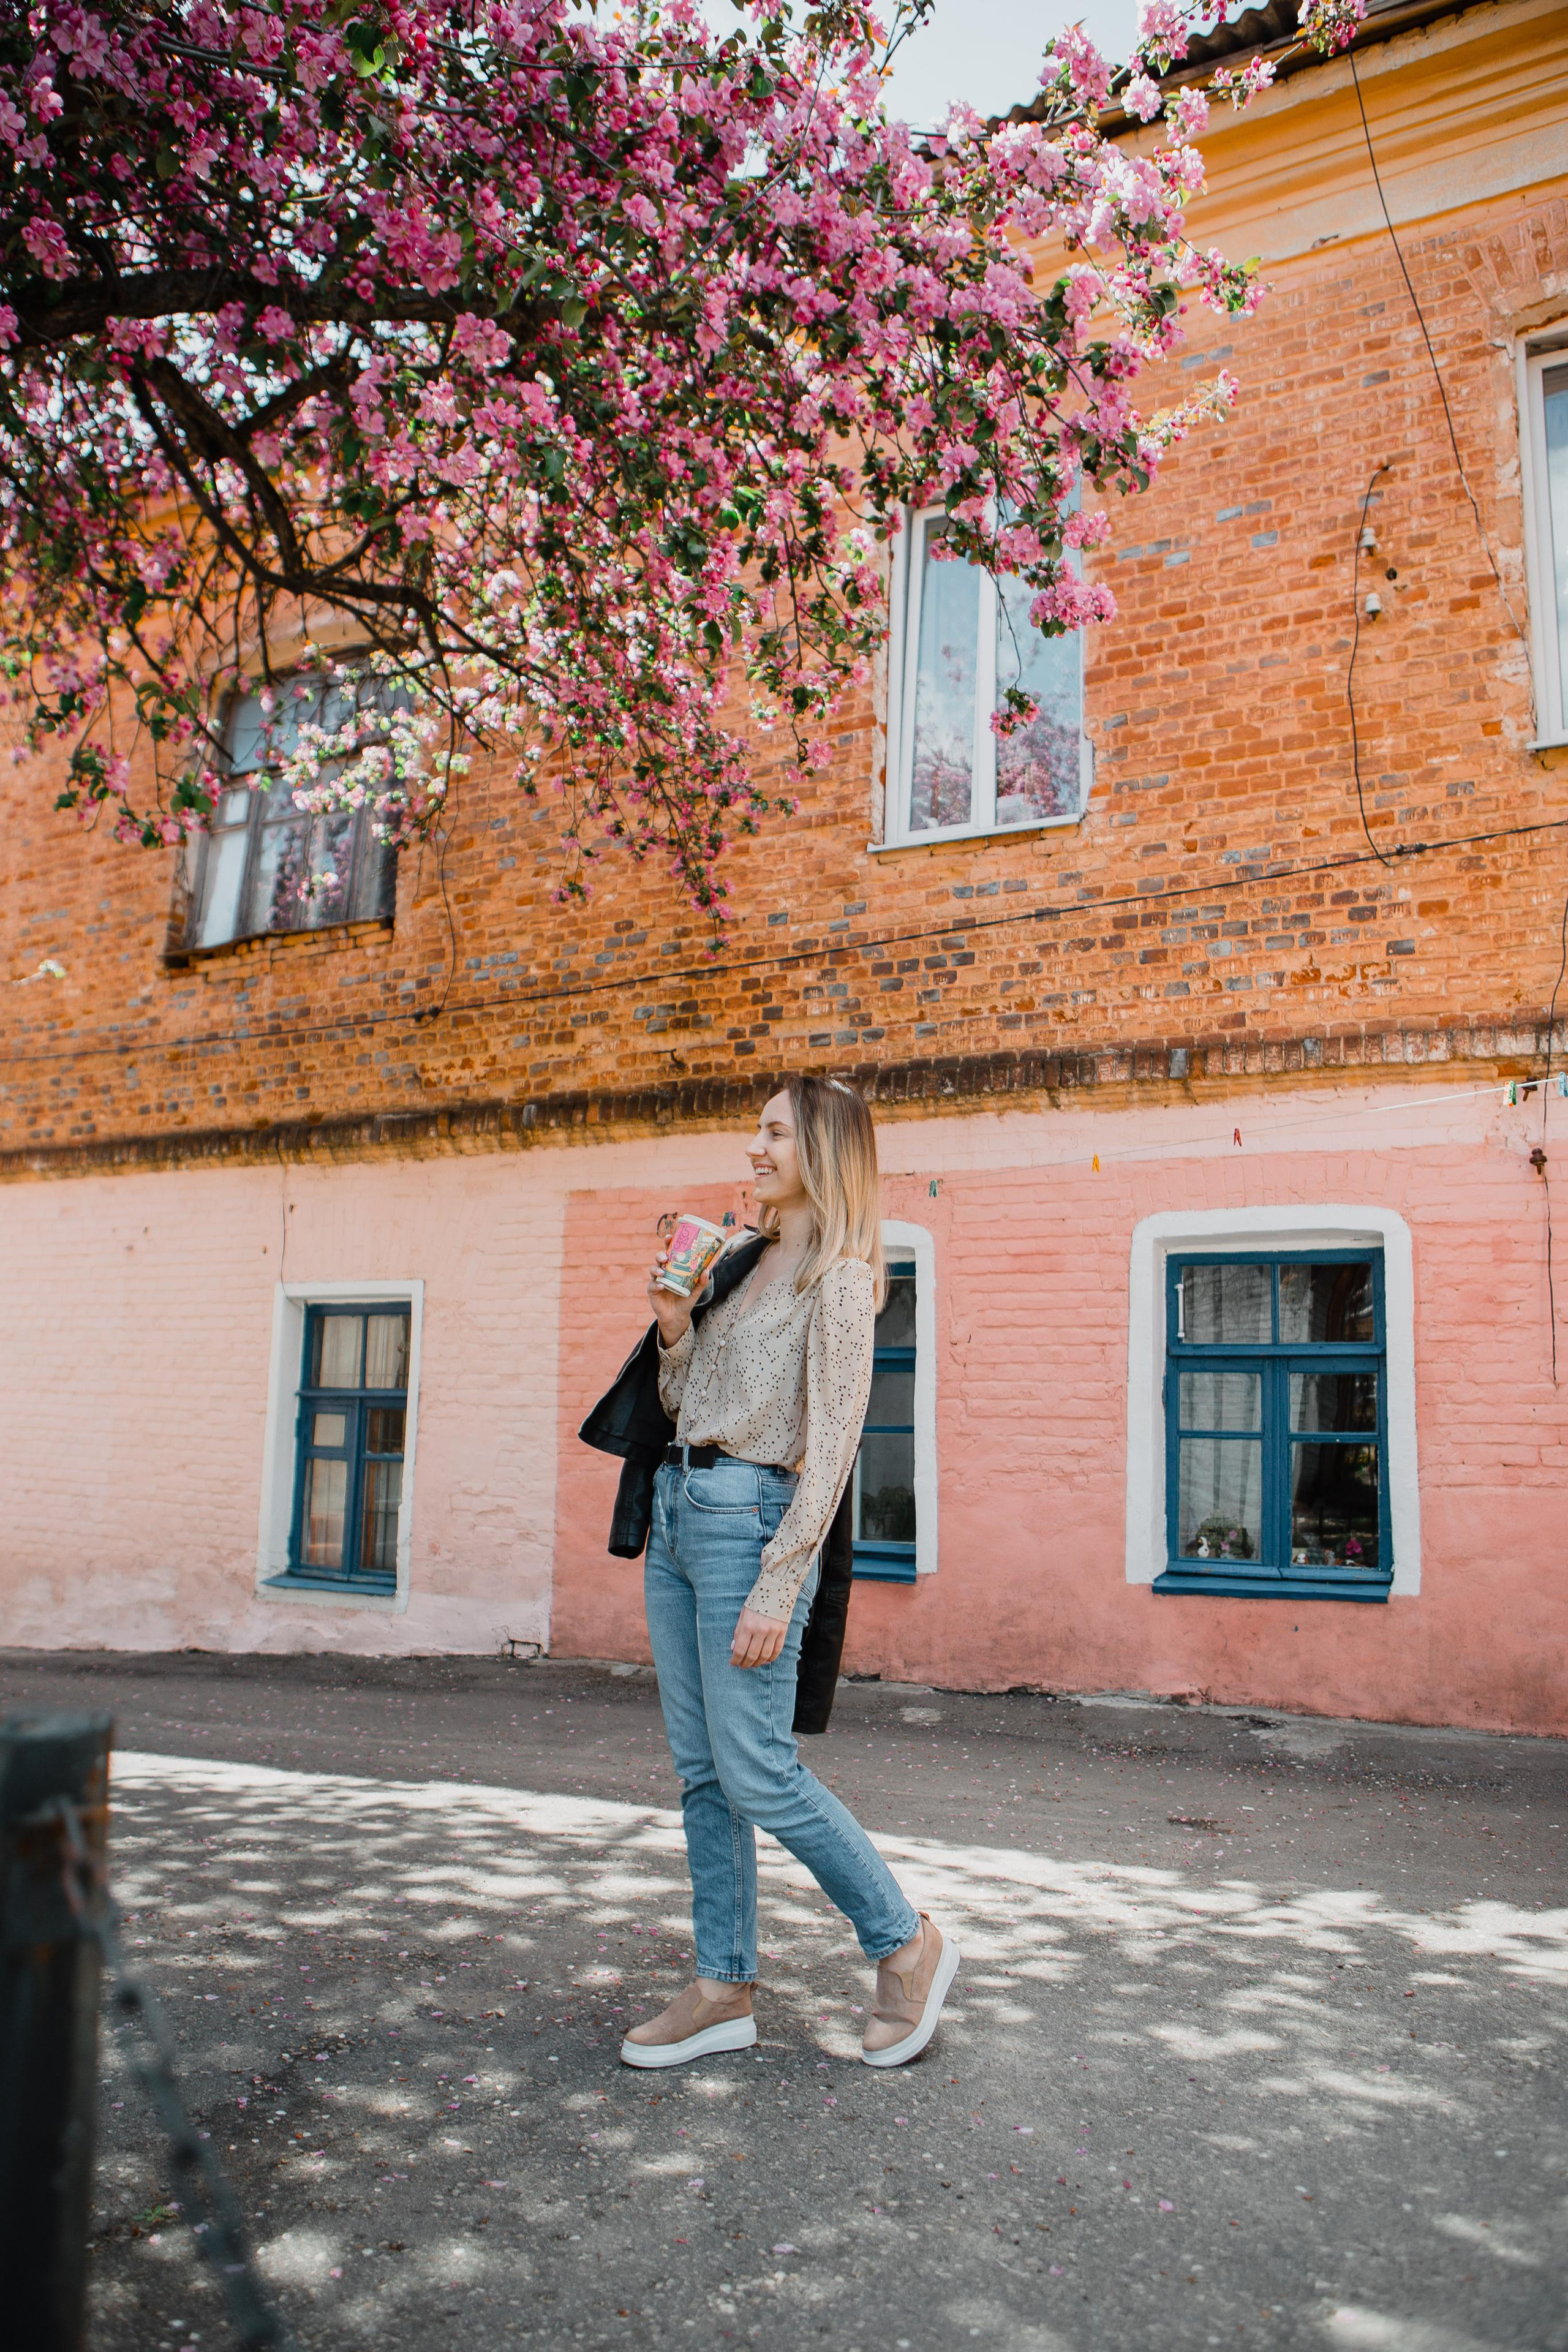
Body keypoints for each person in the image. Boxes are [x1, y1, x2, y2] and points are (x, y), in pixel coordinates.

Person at [620, 1074, 959, 2071]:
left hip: (751, 1524)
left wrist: (780, 1580)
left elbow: (837, 1440)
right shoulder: (741, 1259)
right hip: (680, 1514)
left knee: (758, 1768)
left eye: (775, 1133)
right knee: (702, 1774)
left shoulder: (843, 1277)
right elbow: (686, 1405)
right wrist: (675, 1326)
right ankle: (723, 1986)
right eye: (757, 1131)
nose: (755, 1148)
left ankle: (906, 1943)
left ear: (822, 1150)